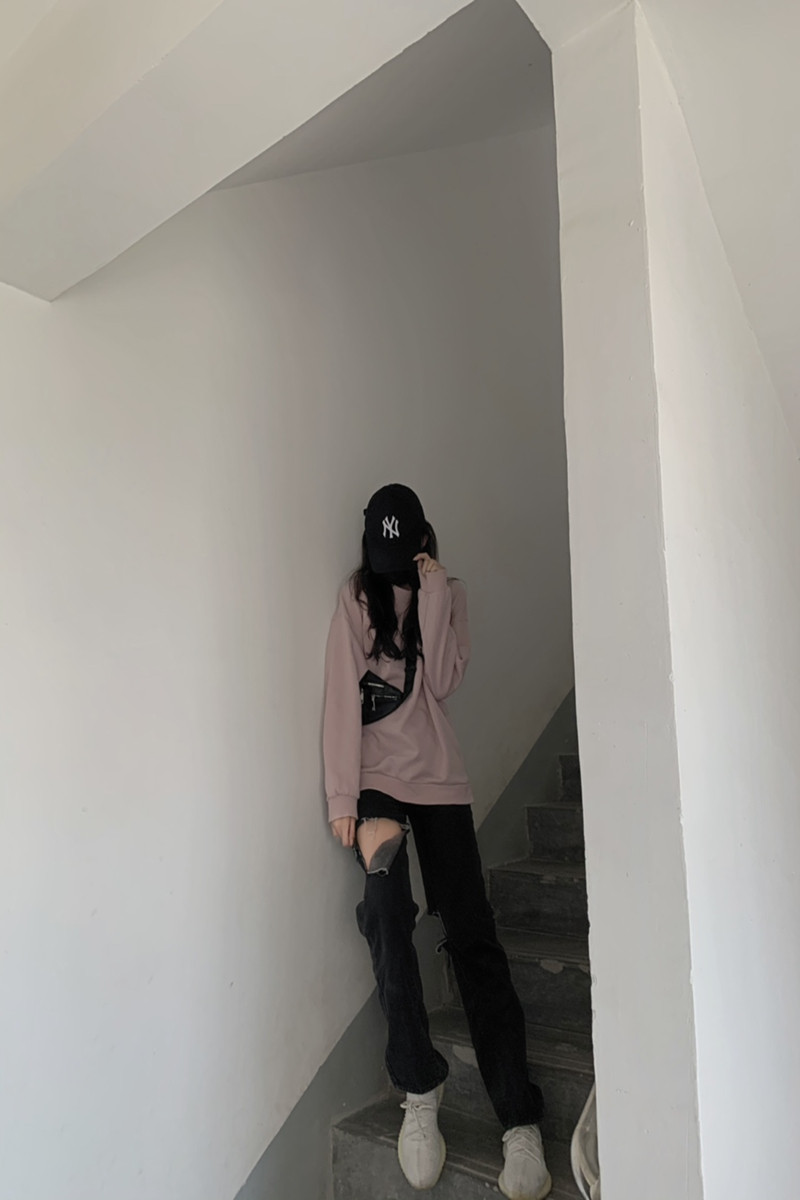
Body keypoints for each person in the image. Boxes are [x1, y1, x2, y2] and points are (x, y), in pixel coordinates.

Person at [322, 483, 551, 1200]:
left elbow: (444, 681)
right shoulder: (356, 598)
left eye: (403, 552)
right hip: (377, 785)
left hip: (441, 781)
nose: (390, 563)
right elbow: (340, 695)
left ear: (422, 543)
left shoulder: (448, 593)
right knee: (387, 912)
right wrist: (341, 796)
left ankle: (519, 1117)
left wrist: (433, 595)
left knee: (473, 931)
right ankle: (420, 1087)